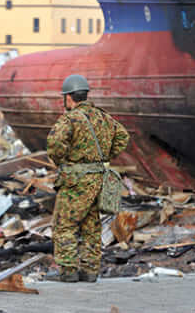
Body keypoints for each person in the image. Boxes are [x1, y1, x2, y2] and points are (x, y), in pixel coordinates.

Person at [46, 74, 130, 283]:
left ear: (69, 97)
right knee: (91, 225)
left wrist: (62, 160)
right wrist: (104, 156)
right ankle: (90, 270)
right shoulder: (102, 117)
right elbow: (123, 136)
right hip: (97, 179)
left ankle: (68, 271)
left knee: (65, 224)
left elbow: (55, 144)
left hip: (75, 180)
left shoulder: (70, 118)